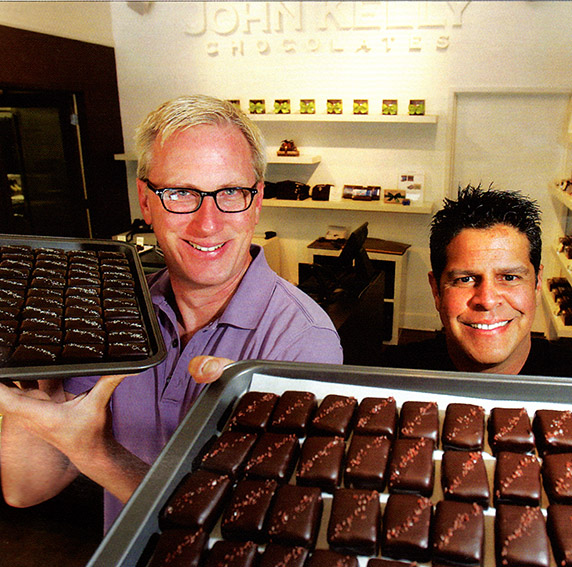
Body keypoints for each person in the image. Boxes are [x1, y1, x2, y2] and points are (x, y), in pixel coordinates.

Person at [0, 95, 342, 532]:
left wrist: (96, 452)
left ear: (256, 200)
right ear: (145, 201)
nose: (208, 223)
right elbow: (25, 488)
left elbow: (260, 532)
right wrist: (35, 382)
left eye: (231, 193)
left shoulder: (301, 340)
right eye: (181, 193)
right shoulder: (112, 314)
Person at [382, 184, 572, 376]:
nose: (487, 301)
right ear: (436, 291)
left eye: (509, 277)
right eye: (465, 279)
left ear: (537, 285)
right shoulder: (387, 376)